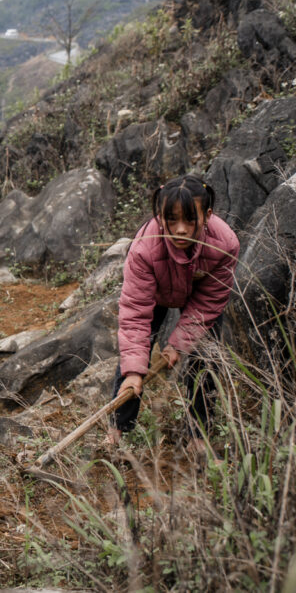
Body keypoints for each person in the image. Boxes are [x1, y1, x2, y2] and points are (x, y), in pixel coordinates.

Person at [106, 174, 239, 453]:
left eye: (190, 219)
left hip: (198, 296)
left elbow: (210, 300)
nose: (180, 229)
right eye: (171, 219)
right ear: (159, 216)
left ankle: (197, 436)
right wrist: (134, 371)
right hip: (156, 295)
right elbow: (135, 315)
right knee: (134, 356)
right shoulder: (144, 248)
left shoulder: (224, 243)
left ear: (208, 215)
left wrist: (178, 343)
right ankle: (115, 433)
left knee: (206, 358)